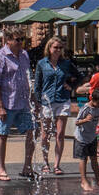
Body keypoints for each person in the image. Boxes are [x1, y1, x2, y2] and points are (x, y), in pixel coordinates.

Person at [0, 27, 34, 181]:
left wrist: (32, 100)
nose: (21, 42)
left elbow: (28, 78)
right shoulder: (0, 56)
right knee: (3, 134)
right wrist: (0, 106)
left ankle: (27, 167)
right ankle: (1, 169)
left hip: (23, 102)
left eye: (22, 39)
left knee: (31, 132)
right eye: (17, 39)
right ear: (8, 40)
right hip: (6, 102)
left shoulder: (24, 55)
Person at [33, 36, 72, 175]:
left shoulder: (66, 63)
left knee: (60, 134)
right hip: (47, 101)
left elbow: (80, 76)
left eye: (60, 48)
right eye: (55, 47)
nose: (58, 50)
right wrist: (37, 102)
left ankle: (57, 164)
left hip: (62, 100)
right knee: (45, 134)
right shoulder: (42, 64)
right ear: (49, 48)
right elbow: (37, 85)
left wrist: (71, 85)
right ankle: (45, 163)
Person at [73, 88, 99, 193]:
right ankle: (84, 181)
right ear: (93, 99)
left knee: (94, 159)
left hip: (92, 137)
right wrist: (85, 120)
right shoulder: (86, 109)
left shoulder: (98, 108)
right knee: (83, 159)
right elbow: (76, 122)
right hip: (82, 138)